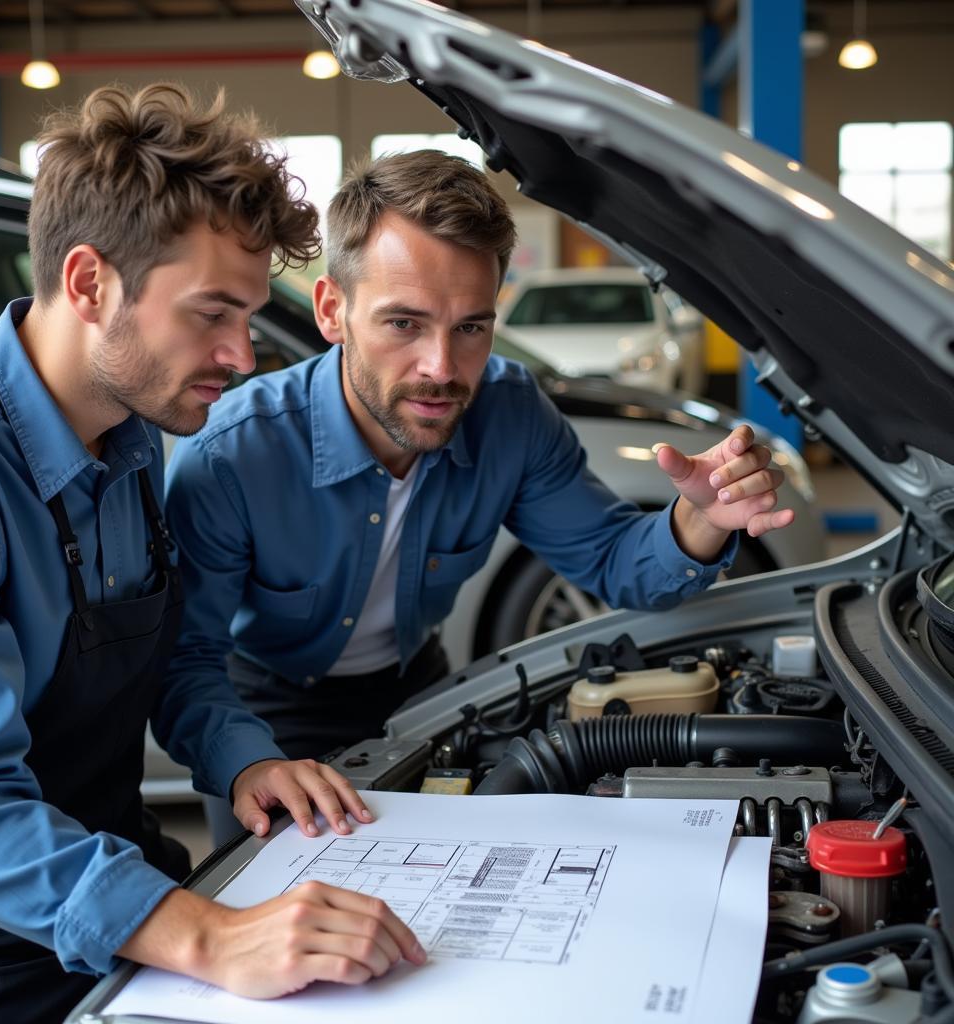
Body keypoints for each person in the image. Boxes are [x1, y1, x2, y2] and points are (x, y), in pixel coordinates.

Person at [0, 85, 425, 1024]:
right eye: (212, 314)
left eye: (248, 315)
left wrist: (244, 760)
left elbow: (166, 663)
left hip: (118, 890)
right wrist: (208, 937)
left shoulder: (127, 433)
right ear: (88, 284)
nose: (243, 356)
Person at [165, 149, 795, 847]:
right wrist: (249, 763)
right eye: (403, 323)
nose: (442, 367)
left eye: (471, 326)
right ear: (332, 310)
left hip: (420, 694)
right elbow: (185, 661)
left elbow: (614, 560)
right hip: (262, 712)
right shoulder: (233, 454)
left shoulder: (511, 415)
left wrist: (695, 521)